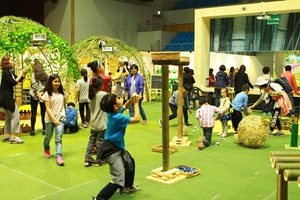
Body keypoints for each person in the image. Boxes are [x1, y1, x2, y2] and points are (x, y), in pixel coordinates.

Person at [92, 93, 141, 199]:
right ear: (115, 106)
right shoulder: (117, 117)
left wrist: (131, 100)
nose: (120, 99)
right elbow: (137, 119)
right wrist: (136, 103)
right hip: (111, 150)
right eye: (118, 98)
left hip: (117, 147)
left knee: (129, 162)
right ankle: (99, 198)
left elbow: (124, 107)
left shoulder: (112, 112)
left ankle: (127, 187)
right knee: (118, 179)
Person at [0, 55, 29, 144]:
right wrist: (21, 73)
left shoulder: (10, 72)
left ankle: (6, 135)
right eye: (11, 60)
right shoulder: (5, 72)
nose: (13, 62)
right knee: (16, 115)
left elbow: (18, 80)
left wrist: (23, 73)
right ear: (6, 62)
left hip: (6, 97)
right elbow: (13, 82)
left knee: (8, 117)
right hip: (6, 98)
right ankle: (13, 136)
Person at [41, 74, 67, 166]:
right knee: (48, 136)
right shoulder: (47, 94)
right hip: (50, 119)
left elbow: (64, 105)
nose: (57, 83)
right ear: (50, 82)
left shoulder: (63, 93)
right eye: (55, 81)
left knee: (58, 138)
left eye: (58, 81)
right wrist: (54, 119)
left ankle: (58, 156)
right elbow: (47, 108)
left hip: (61, 119)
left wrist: (64, 115)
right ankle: (46, 148)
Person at [84, 76, 107, 167]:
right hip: (101, 122)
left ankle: (87, 158)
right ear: (100, 85)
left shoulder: (91, 95)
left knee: (91, 140)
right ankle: (98, 159)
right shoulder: (103, 94)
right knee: (101, 141)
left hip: (93, 122)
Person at [29, 59, 48, 136]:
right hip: (43, 95)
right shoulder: (46, 75)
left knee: (33, 112)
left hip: (34, 95)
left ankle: (32, 130)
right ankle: (44, 129)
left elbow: (34, 84)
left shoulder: (34, 74)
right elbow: (48, 86)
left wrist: (37, 93)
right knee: (44, 113)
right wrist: (42, 93)